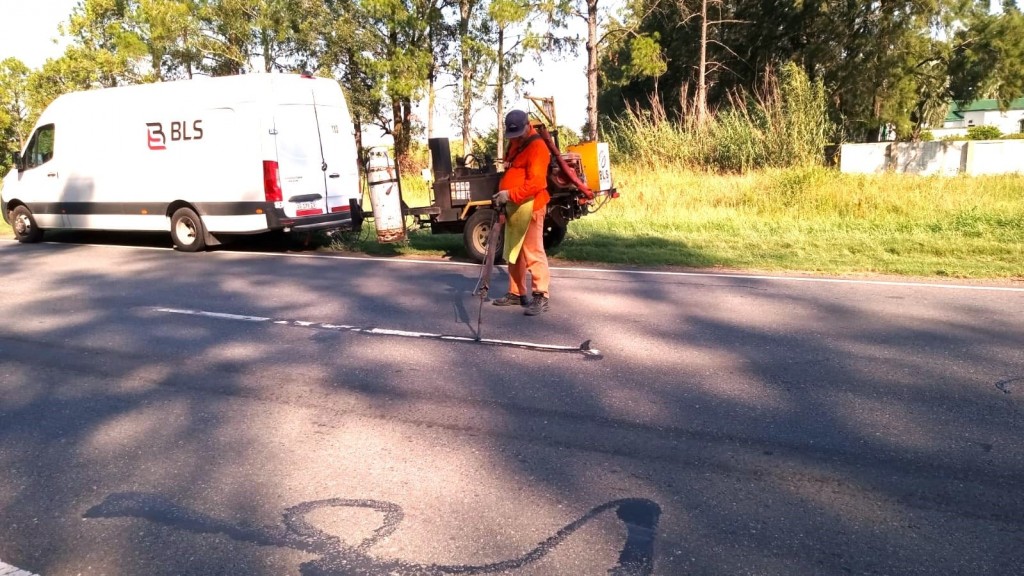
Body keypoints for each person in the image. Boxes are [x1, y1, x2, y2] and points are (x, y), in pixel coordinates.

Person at [491, 109, 552, 316]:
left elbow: (536, 183)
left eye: (517, 134)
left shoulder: (538, 147)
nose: (514, 139)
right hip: (514, 206)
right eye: (512, 135)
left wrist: (509, 195)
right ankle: (517, 293)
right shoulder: (516, 142)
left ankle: (541, 295)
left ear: (528, 126)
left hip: (531, 206)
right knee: (514, 251)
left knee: (533, 252)